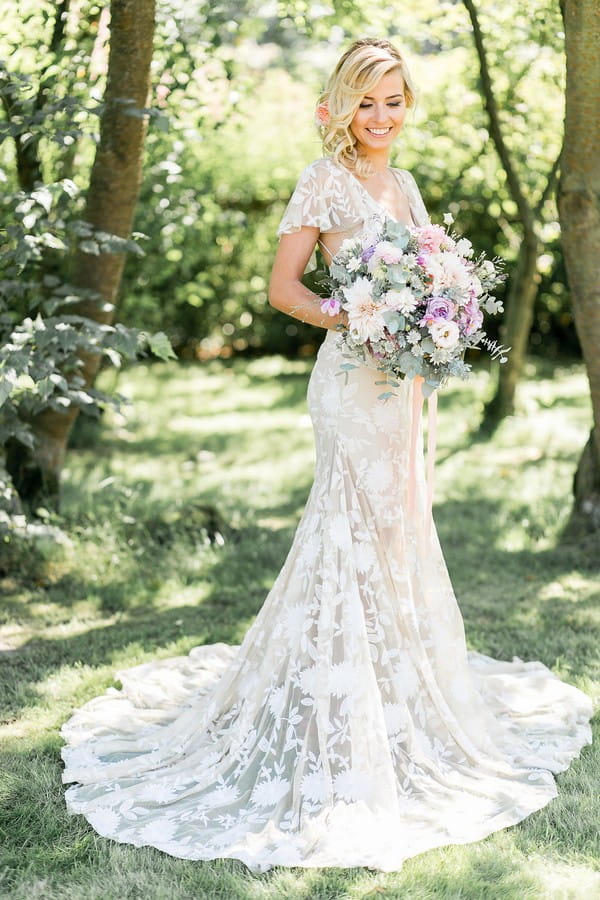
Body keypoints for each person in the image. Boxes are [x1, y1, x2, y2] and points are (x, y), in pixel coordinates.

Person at [61, 38, 593, 873]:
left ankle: (390, 693)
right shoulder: (323, 180)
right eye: (367, 101)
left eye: (394, 101)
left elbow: (431, 268)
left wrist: (441, 303)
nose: (382, 117)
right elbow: (284, 289)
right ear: (340, 106)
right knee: (349, 532)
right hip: (350, 387)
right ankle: (336, 709)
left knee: (398, 535)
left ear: (406, 106)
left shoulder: (406, 184)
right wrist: (362, 316)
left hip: (402, 387)